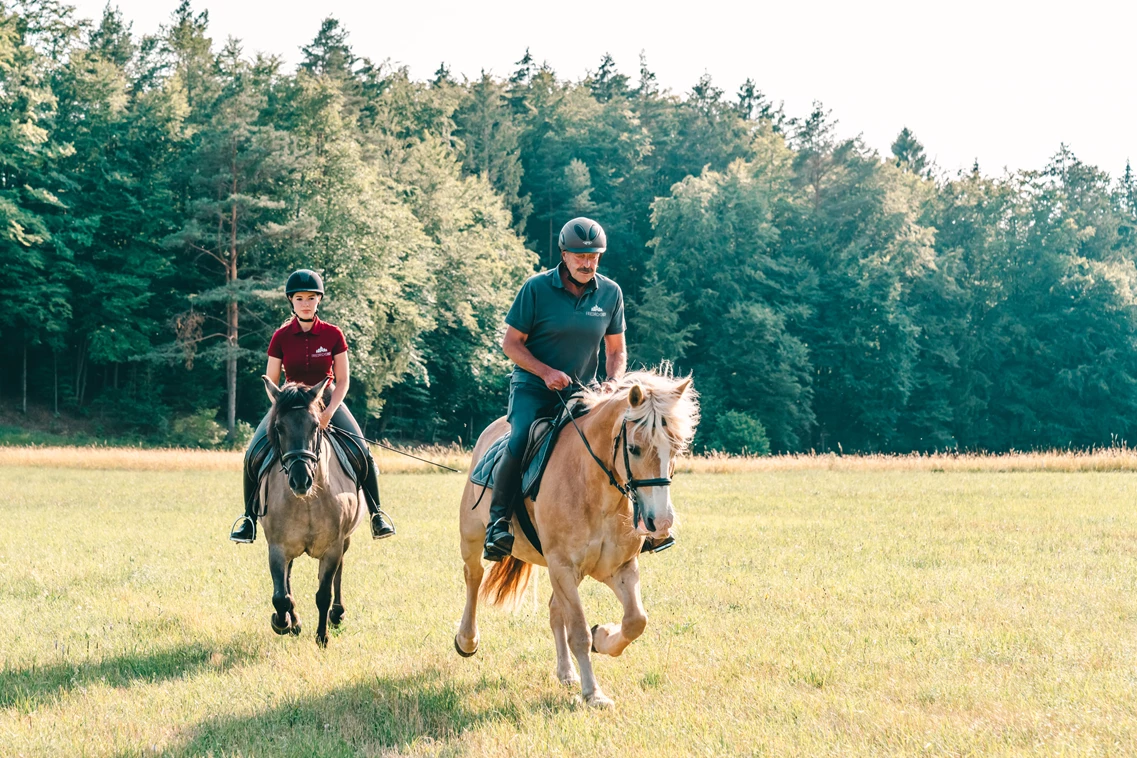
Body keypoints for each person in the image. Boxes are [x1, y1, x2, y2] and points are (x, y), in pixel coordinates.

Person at [483, 217, 628, 562]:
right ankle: (498, 523)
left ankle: (641, 526)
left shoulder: (610, 293)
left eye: (594, 256)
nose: (587, 263)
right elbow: (511, 344)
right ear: (564, 254)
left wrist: (613, 382)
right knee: (519, 439)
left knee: (622, 440)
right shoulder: (536, 288)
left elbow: (616, 350)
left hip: (585, 392)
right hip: (533, 387)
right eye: (579, 256)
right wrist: (545, 372)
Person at [229, 269, 395, 543]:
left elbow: (342, 381)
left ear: (318, 300)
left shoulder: (333, 334)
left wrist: (329, 412)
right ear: (291, 302)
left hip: (326, 398)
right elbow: (270, 380)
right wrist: (279, 407)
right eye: (300, 298)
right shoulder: (280, 337)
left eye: (311, 298)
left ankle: (377, 515)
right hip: (289, 402)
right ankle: (248, 519)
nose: (305, 303)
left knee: (362, 451)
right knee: (252, 454)